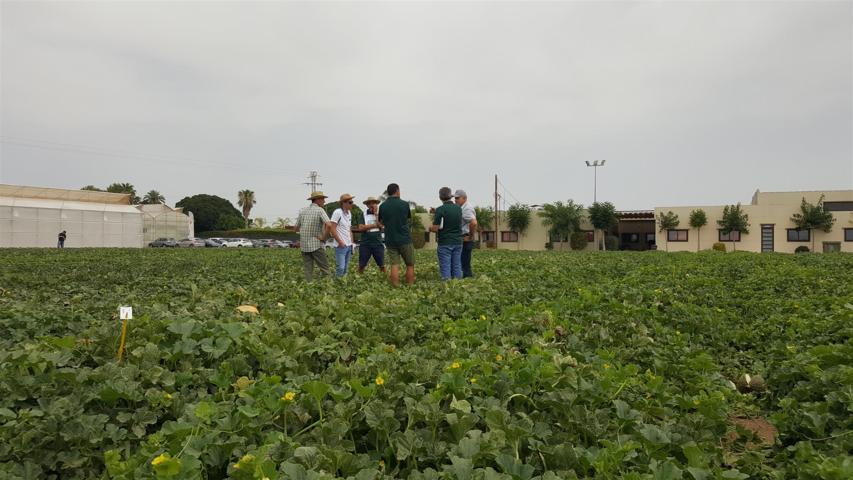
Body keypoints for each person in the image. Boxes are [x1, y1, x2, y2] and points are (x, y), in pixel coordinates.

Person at [378, 183, 415, 286]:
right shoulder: (404, 204)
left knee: (394, 265)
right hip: (404, 239)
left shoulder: (383, 206)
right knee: (410, 264)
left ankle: (395, 287)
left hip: (390, 239)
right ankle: (410, 286)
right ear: (397, 191)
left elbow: (380, 222)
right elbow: (407, 219)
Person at [295, 191, 333, 281]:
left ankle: (309, 286)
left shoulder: (302, 211)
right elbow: (329, 225)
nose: (324, 201)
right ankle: (329, 287)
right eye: (323, 199)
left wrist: (304, 232)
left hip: (304, 245)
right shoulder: (320, 210)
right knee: (325, 268)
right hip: (316, 244)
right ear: (317, 200)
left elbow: (295, 228)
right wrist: (324, 237)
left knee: (308, 269)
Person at [430, 187, 463, 280]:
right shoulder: (458, 209)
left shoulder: (440, 210)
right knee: (457, 266)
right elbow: (449, 214)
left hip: (445, 242)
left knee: (445, 267)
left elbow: (435, 228)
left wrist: (430, 228)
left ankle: (447, 289)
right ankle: (459, 287)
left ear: (440, 197)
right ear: (451, 196)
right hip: (458, 241)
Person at [330, 193, 356, 278]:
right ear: (343, 203)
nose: (352, 204)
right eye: (350, 202)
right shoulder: (337, 212)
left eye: (352, 202)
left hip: (348, 245)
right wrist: (340, 242)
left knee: (345, 268)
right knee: (340, 267)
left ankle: (342, 286)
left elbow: (349, 229)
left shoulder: (349, 214)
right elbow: (332, 228)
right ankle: (337, 285)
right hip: (341, 245)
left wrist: (352, 243)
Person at [356, 196, 385, 274]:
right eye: (370, 203)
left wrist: (376, 214)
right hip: (365, 243)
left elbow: (382, 227)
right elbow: (361, 228)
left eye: (374, 203)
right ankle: (358, 279)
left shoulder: (380, 214)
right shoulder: (363, 214)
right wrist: (375, 225)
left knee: (382, 265)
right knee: (361, 265)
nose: (372, 205)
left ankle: (384, 279)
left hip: (378, 243)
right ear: (367, 205)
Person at [454, 190, 477, 278]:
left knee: (464, 262)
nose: (455, 200)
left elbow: (474, 223)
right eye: (455, 198)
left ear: (464, 198)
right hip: (464, 237)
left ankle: (468, 280)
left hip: (465, 238)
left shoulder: (467, 208)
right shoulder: (462, 207)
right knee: (463, 261)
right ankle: (465, 280)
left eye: (457, 198)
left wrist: (470, 236)